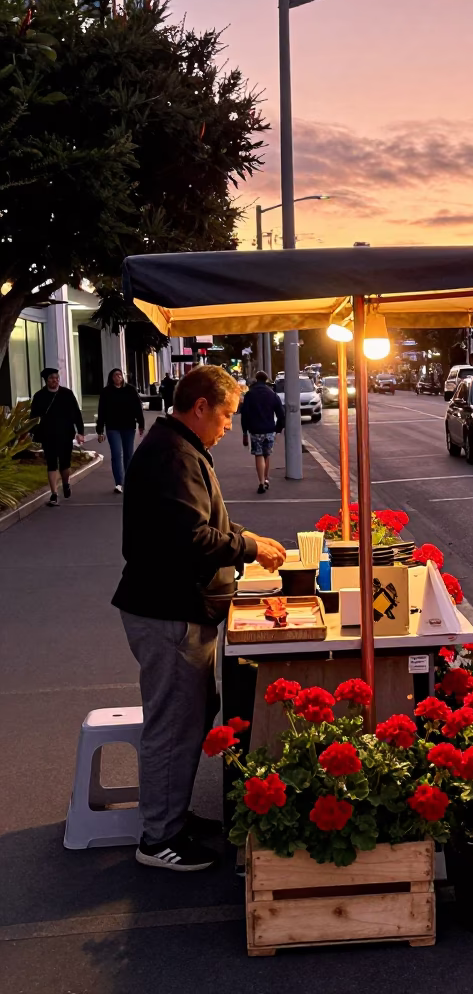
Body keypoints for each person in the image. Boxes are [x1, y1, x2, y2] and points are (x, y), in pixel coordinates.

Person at [112, 365, 287, 871]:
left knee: (190, 715)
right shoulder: (173, 455)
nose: (230, 425)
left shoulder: (182, 448)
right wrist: (248, 546)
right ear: (201, 407)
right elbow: (190, 539)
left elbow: (202, 524)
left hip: (176, 606)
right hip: (167, 610)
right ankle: (157, 839)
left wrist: (247, 538)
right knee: (174, 723)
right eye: (227, 414)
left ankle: (172, 818)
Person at [29, 367, 85, 507]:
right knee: (52, 464)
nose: (55, 380)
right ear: (46, 380)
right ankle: (54, 494)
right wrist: (32, 433)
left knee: (65, 464)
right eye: (51, 378)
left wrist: (80, 432)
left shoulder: (67, 394)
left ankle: (66, 483)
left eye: (56, 378)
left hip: (65, 434)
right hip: (48, 435)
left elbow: (77, 414)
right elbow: (33, 418)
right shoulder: (39, 396)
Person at [96, 368, 145, 494]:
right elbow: (102, 411)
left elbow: (137, 407)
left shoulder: (130, 390)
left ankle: (128, 481)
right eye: (115, 375)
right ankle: (119, 483)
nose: (118, 377)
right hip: (112, 427)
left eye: (120, 375)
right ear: (111, 378)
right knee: (117, 454)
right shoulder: (106, 392)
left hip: (128, 426)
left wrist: (141, 424)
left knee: (128, 454)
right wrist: (100, 429)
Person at [239, 370, 285, 493]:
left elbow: (245, 415)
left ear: (256, 380)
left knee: (258, 454)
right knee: (266, 454)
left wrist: (244, 432)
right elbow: (281, 414)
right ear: (266, 380)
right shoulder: (272, 394)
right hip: (269, 429)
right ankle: (265, 479)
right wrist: (278, 429)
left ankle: (260, 482)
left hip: (255, 430)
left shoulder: (249, 395)